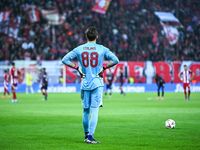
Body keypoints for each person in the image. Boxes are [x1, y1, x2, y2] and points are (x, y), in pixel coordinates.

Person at [62, 27, 119, 144]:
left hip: (84, 83)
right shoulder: (101, 49)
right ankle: (90, 137)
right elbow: (115, 60)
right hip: (97, 83)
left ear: (86, 37)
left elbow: (65, 59)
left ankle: (86, 135)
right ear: (97, 37)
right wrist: (104, 67)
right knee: (95, 110)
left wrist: (77, 68)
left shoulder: (79, 49)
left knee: (85, 111)